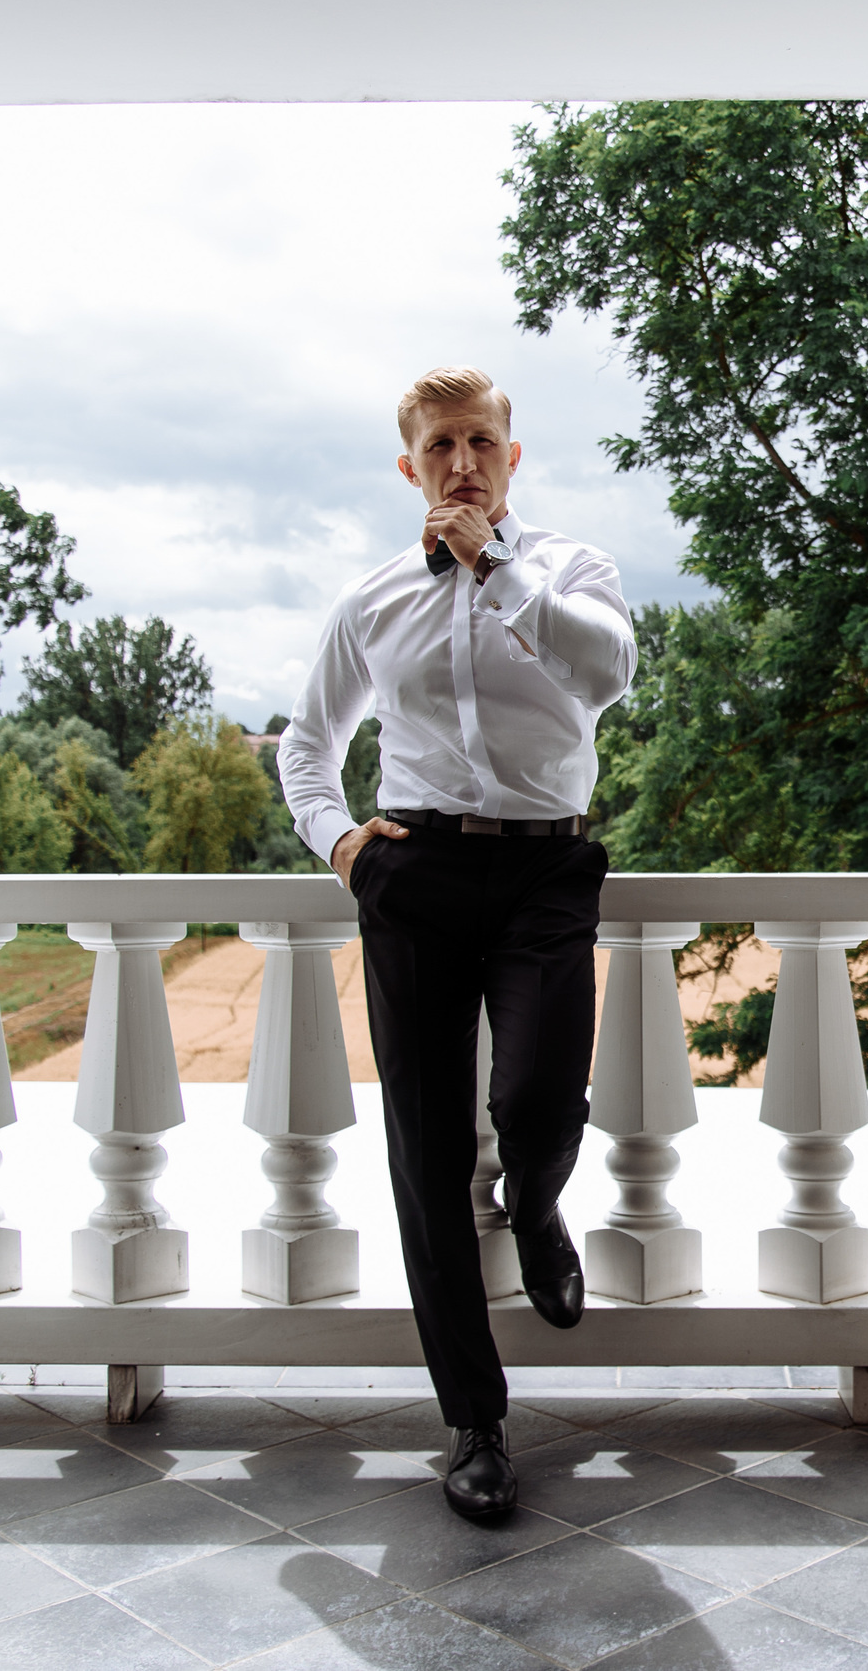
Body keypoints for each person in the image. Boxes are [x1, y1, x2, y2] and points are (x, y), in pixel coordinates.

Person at [277, 366, 635, 1521]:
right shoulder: (372, 599)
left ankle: (535, 1203)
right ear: (410, 465)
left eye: (481, 440)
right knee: (427, 1157)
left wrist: (494, 567)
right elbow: (304, 748)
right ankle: (472, 1421)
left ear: (512, 456)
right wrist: (347, 850)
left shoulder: (574, 571)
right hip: (417, 872)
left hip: (543, 868)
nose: (463, 462)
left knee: (537, 1098)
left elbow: (606, 671)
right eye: (440, 445)